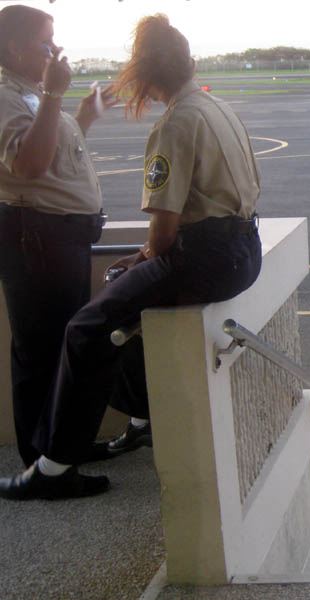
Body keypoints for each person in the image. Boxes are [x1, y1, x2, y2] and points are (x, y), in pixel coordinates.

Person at [0, 13, 263, 500]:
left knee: (85, 329)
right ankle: (138, 416)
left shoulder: (173, 124)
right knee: (122, 311)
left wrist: (142, 259)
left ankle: (54, 467)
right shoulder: (214, 106)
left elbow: (163, 235)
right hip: (243, 250)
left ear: (146, 76)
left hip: (203, 257)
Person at [0, 5, 114, 468]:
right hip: (36, 239)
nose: (56, 51)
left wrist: (82, 116)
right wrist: (53, 94)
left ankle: (63, 447)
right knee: (41, 351)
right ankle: (40, 462)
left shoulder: (31, 94)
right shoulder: (8, 96)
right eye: (47, 43)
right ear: (14, 48)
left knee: (61, 345)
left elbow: (54, 158)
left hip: (60, 238)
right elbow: (27, 166)